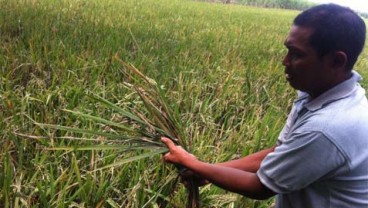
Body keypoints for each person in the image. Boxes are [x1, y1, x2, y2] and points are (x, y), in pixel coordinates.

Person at [161, 3, 368, 208]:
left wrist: (193, 164)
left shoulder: (327, 128)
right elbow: (277, 152)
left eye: (296, 54)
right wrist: (206, 170)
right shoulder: (316, 95)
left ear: (336, 61)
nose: (284, 61)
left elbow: (260, 186)